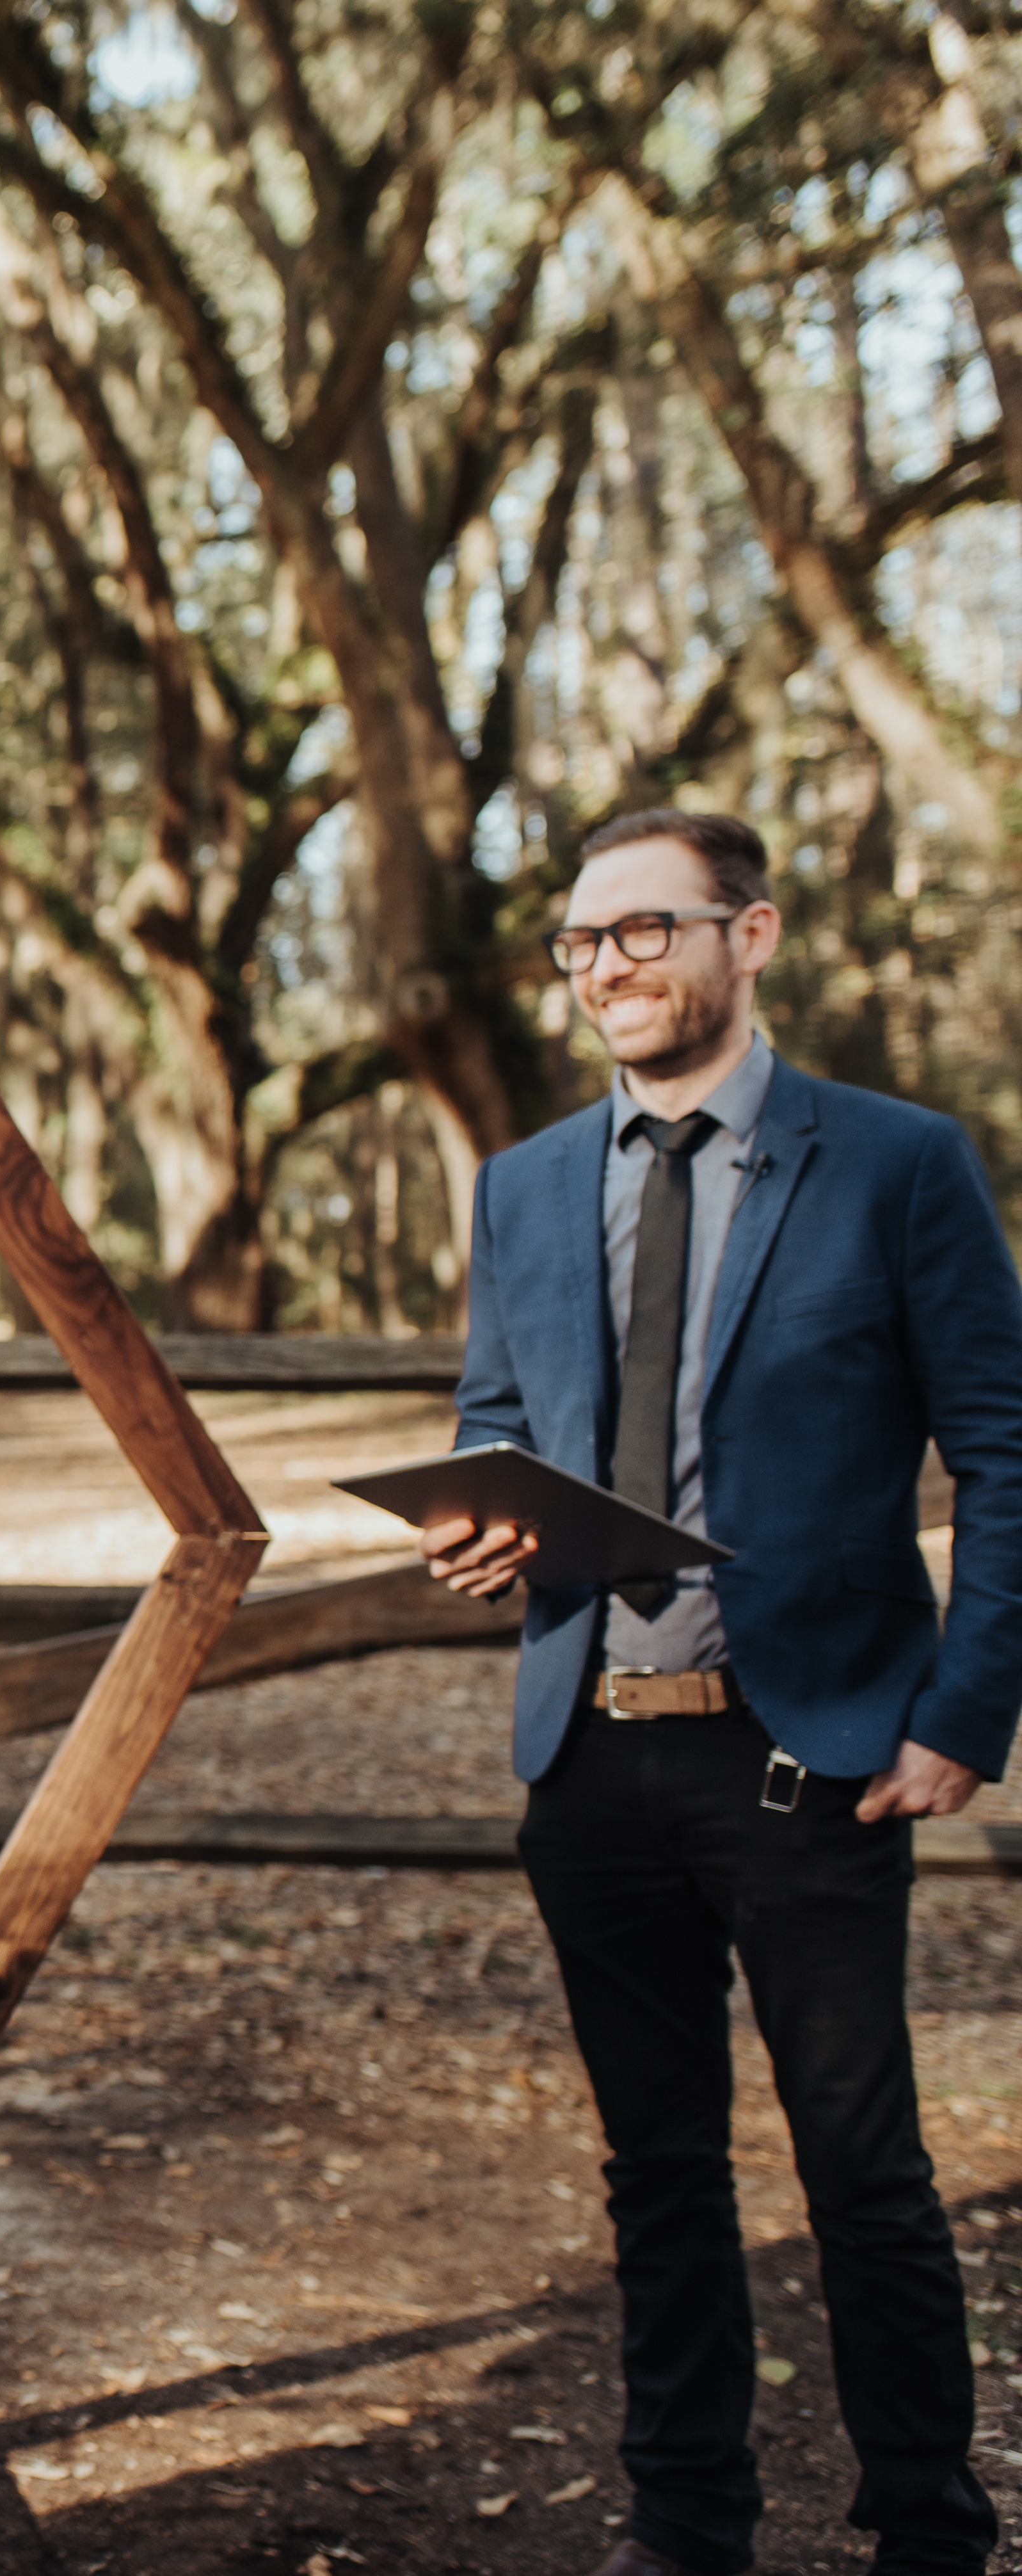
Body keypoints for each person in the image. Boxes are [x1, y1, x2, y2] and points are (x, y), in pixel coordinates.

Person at [422, 806, 1016, 2576]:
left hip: (815, 1756)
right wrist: (477, 1516)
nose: (606, 967)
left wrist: (961, 1713)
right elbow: (493, 1423)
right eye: (581, 943)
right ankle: (689, 2529)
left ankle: (931, 2529)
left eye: (643, 930)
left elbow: (1004, 1446)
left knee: (868, 2183)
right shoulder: (524, 1182)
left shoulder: (901, 1164)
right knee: (659, 2178)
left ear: (748, 939)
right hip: (589, 1762)